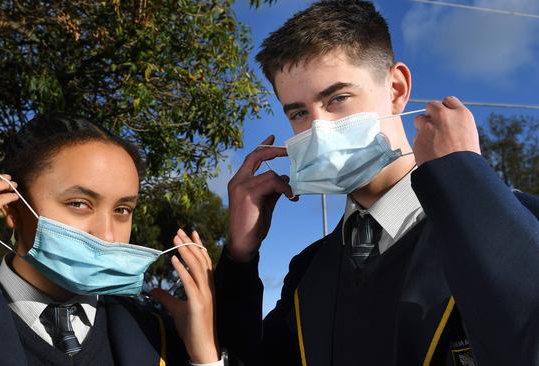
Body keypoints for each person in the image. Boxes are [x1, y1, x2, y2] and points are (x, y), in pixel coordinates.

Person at [214, 1, 539, 365]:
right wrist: (240, 258)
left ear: (397, 89)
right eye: (300, 113)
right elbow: (246, 358)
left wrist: (467, 184)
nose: (318, 129)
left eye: (337, 98)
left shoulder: (523, 221)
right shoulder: (308, 270)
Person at [0, 113, 225, 365]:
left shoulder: (163, 336)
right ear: (12, 209)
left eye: (123, 210)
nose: (107, 235)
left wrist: (205, 358)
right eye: (79, 204)